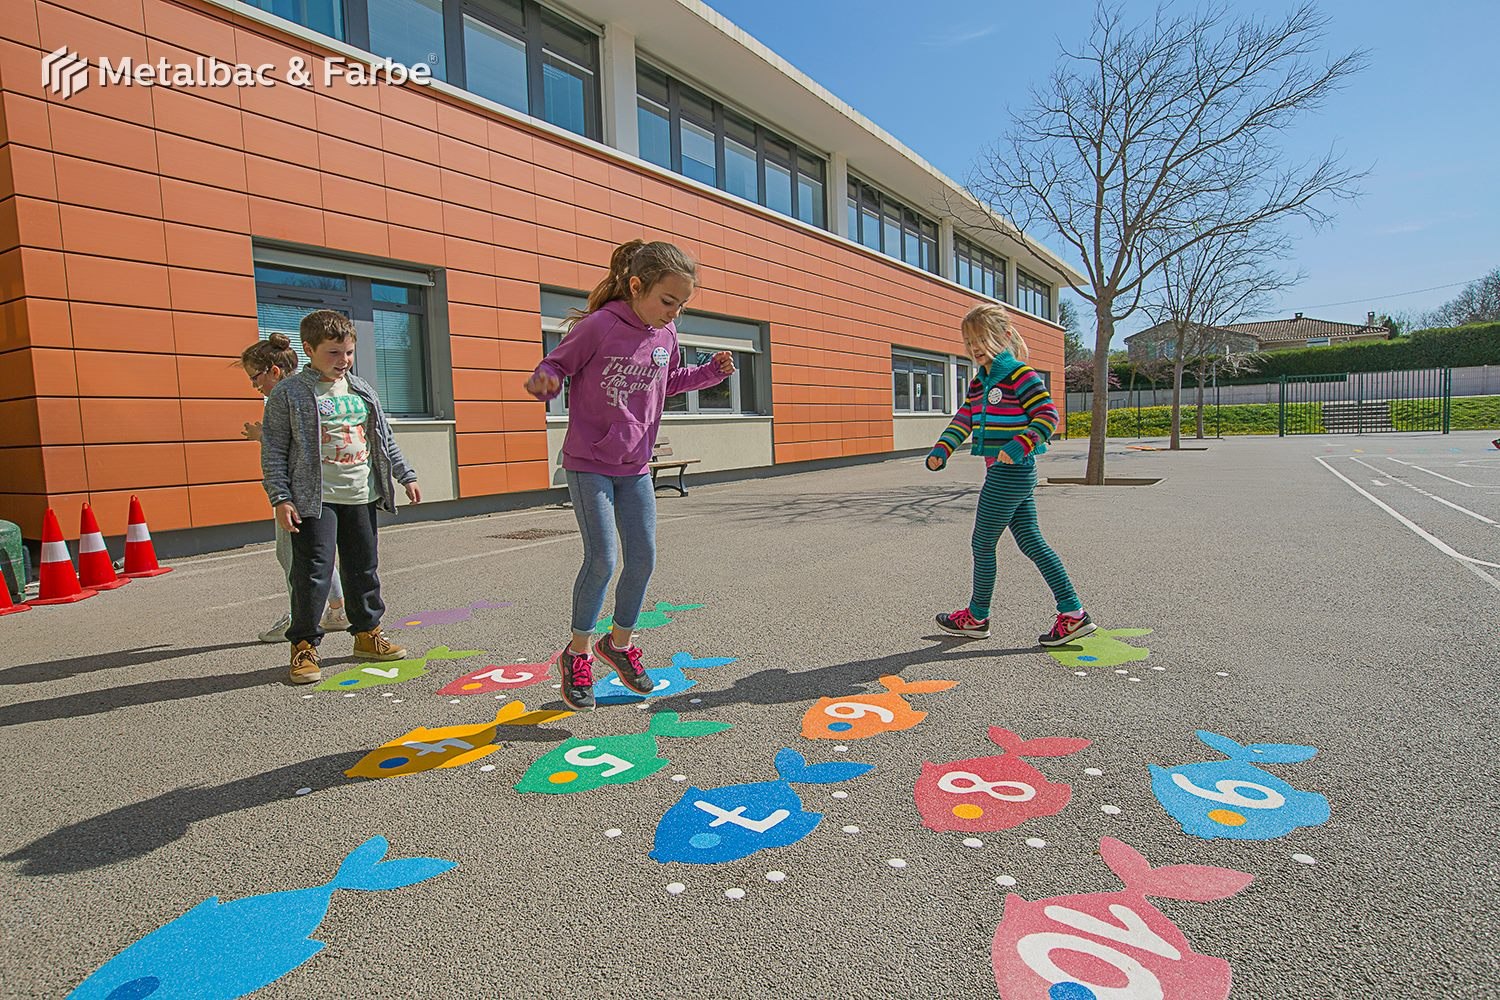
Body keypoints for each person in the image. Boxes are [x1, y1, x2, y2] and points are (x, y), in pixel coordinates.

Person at [524, 240, 733, 710]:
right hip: (589, 463)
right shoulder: (600, 326)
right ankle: (577, 654)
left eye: (681, 305)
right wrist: (546, 380)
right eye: (667, 301)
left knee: (643, 558)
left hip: (635, 465)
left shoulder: (666, 336)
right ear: (636, 286)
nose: (673, 313)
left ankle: (616, 645)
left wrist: (709, 375)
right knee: (603, 558)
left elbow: (668, 381)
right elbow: (556, 364)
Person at [260, 310, 421, 685]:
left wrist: (405, 475)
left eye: (348, 353)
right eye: (333, 353)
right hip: (314, 499)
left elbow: (384, 439)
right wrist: (281, 497)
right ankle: (303, 645)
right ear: (309, 349)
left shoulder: (361, 390)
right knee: (312, 573)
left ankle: (367, 634)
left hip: (360, 492)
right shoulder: (290, 393)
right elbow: (273, 450)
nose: (343, 361)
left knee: (363, 567)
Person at [926, 303, 1095, 648]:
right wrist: (943, 449)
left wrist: (1020, 444)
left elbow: (1048, 417)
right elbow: (965, 418)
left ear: (1004, 337)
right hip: (1006, 473)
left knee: (982, 543)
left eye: (981, 339)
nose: (975, 348)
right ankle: (1073, 614)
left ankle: (976, 617)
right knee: (1032, 542)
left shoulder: (1020, 375)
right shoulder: (981, 382)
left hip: (1011, 472)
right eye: (969, 341)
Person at [238, 334, 348, 643]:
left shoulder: (285, 397)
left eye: (255, 378)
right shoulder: (309, 392)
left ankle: (298, 616)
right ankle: (337, 609)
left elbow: (299, 446)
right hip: (313, 490)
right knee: (317, 555)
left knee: (292, 558)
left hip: (294, 493)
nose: (254, 386)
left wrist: (264, 437)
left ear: (274, 371)